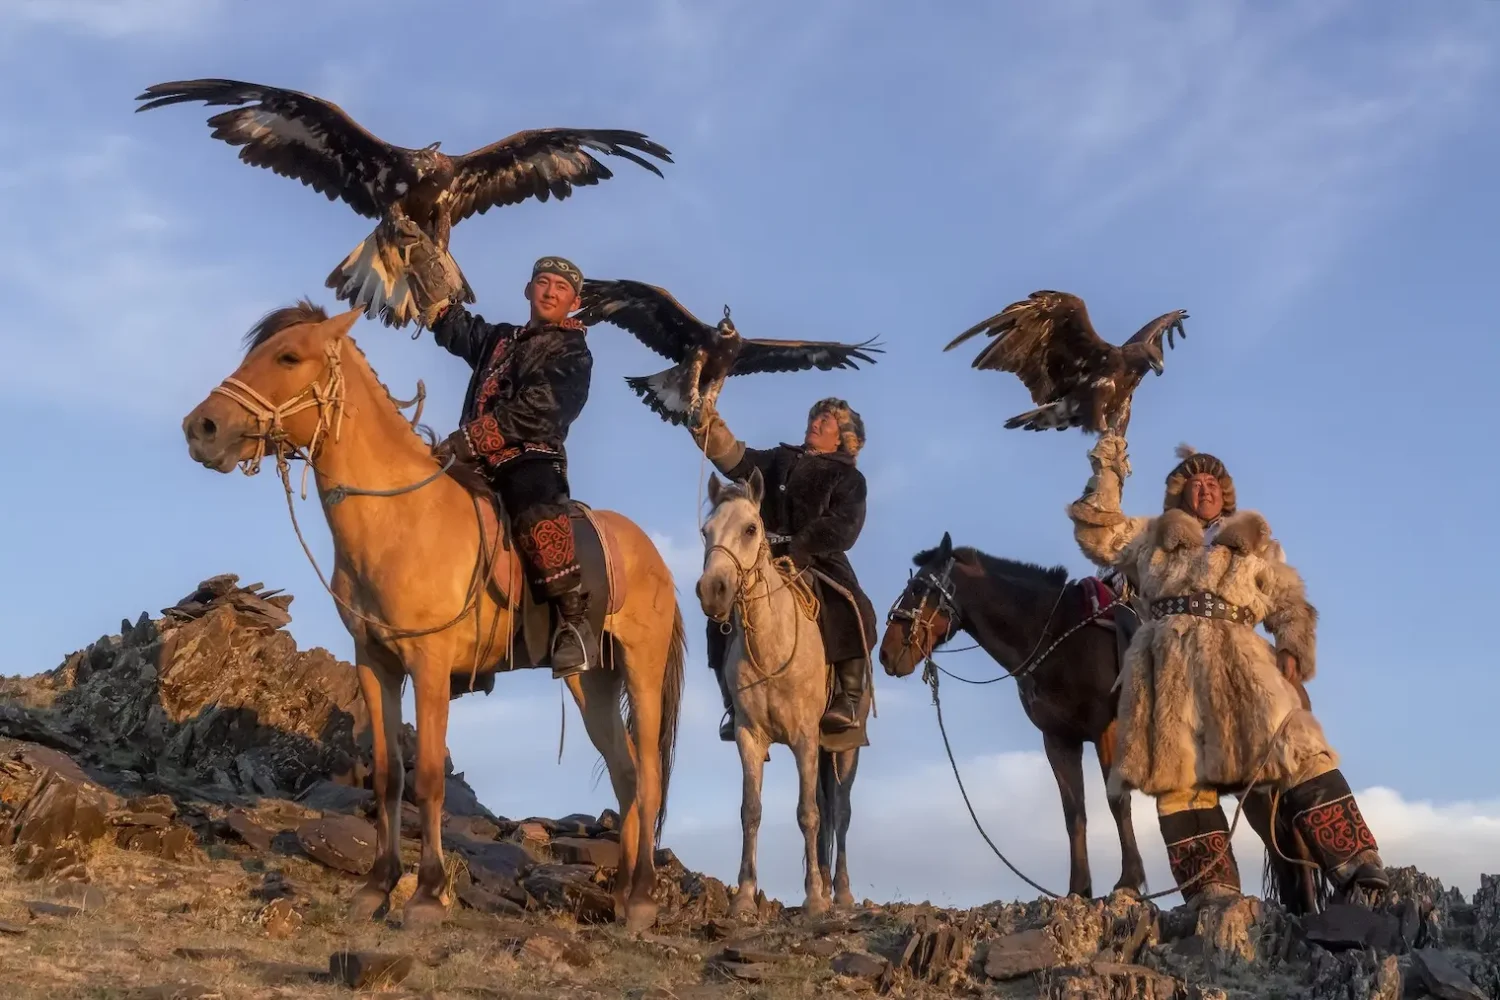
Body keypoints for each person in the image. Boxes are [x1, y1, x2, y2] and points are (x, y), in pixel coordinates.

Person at [1067, 435, 1386, 908]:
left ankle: (1359, 870)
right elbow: (1098, 531)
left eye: (1213, 483)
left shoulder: (1253, 542)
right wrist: (1109, 469)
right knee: (1180, 782)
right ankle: (1213, 896)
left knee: (1297, 751)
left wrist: (1293, 648)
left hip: (1240, 660)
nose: (1204, 490)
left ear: (1226, 494)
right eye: (1194, 484)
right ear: (1179, 494)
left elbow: (1287, 600)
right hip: (1168, 669)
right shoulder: (1150, 538)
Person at [418, 255, 596, 679]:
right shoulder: (499, 338)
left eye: (561, 288)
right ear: (528, 289)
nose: (550, 292)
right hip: (473, 462)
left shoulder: (574, 350)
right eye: (543, 282)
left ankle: (573, 621)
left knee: (533, 502)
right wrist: (422, 271)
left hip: (530, 456)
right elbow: (456, 328)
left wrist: (469, 439)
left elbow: (542, 410)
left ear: (574, 301)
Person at [689, 397, 879, 740]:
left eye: (826, 421)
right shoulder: (780, 459)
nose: (816, 423)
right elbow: (738, 461)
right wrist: (708, 425)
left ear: (841, 437)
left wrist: (799, 547)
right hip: (760, 556)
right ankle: (733, 704)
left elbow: (844, 527)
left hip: (817, 556)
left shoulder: (849, 478)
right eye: (815, 417)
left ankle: (846, 699)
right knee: (719, 617)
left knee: (854, 609)